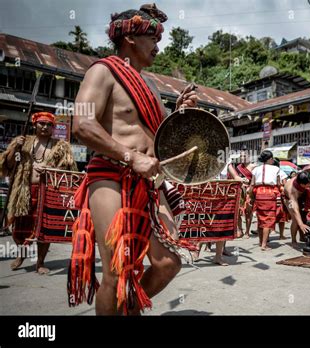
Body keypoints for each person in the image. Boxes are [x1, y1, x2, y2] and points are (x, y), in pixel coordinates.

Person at [69, 3, 198, 315]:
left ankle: (127, 310)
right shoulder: (102, 71)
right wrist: (130, 156)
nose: (157, 46)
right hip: (111, 175)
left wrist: (180, 111)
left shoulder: (151, 87)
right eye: (151, 38)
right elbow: (82, 124)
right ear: (129, 39)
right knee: (115, 272)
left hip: (150, 181)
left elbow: (166, 137)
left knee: (168, 263)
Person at [0, 112, 77, 274]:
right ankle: (21, 254)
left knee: (45, 228)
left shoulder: (60, 146)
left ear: (53, 127)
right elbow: (8, 166)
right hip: (23, 191)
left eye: (49, 124)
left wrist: (50, 170)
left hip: (47, 192)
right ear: (35, 124)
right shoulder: (23, 142)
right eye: (42, 123)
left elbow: (69, 172)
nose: (45, 127)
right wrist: (14, 148)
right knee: (19, 226)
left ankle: (40, 262)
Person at [249, 150, 281, 251]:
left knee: (260, 219)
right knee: (268, 219)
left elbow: (252, 185)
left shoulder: (255, 169)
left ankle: (260, 242)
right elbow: (279, 184)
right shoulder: (276, 168)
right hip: (270, 194)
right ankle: (264, 245)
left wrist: (251, 197)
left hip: (258, 193)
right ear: (270, 159)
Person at [283, 171, 310, 249]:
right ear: (301, 184)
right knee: (295, 220)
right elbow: (295, 209)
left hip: (303, 195)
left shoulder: (304, 177)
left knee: (306, 216)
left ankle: (302, 237)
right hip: (289, 199)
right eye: (308, 184)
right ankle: (293, 241)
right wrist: (301, 224)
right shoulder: (291, 190)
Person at [227, 147, 256, 239]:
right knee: (238, 212)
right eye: (241, 156)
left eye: (244, 156)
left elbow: (255, 181)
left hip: (249, 192)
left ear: (249, 156)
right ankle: (240, 230)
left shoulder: (254, 167)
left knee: (248, 212)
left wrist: (250, 187)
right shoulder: (237, 167)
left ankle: (247, 231)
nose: (242, 158)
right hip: (239, 191)